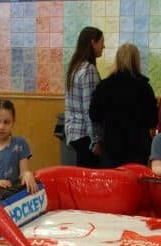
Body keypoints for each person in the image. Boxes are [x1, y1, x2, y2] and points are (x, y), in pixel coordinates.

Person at [89, 43, 158, 169]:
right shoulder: (144, 87)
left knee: (112, 184)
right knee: (135, 185)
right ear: (136, 61)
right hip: (138, 147)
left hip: (111, 146)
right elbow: (153, 120)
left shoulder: (104, 86)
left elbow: (94, 115)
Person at [0, 99, 38, 194]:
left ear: (13, 122)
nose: (1, 126)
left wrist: (28, 174)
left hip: (14, 195)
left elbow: (23, 173)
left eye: (6, 122)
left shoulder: (20, 143)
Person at [64, 26, 105, 168]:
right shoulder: (89, 70)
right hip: (86, 134)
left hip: (74, 132)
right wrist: (96, 140)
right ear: (93, 42)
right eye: (101, 42)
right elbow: (90, 108)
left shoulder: (74, 67)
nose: (103, 46)